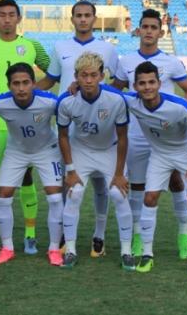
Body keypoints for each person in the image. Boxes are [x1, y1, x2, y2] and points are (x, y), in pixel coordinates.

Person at [112, 9, 187, 260]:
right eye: (145, 27)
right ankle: (138, 235)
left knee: (176, 182)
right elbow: (114, 92)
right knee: (138, 186)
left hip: (167, 138)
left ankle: (183, 235)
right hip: (137, 135)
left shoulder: (171, 62)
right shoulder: (126, 61)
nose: (149, 31)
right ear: (138, 30)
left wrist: (179, 115)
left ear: (161, 32)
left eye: (153, 27)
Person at [37, 0, 119, 258]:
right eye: (79, 15)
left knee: (100, 184)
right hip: (67, 126)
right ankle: (64, 233)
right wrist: (25, 91)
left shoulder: (107, 48)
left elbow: (118, 83)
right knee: (68, 182)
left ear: (94, 18)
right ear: (72, 19)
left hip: (99, 126)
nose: (83, 19)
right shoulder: (60, 47)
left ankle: (99, 236)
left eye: (87, 15)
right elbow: (50, 80)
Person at [0, 0, 50, 255]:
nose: (6, 19)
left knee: (26, 179)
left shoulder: (32, 46)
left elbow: (53, 73)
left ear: (18, 18)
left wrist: (35, 94)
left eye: (11, 14)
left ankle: (30, 235)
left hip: (24, 126)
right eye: (1, 15)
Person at [126, 61, 187, 277]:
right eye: (142, 83)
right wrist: (76, 85)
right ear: (135, 86)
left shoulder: (179, 106)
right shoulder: (132, 102)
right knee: (150, 198)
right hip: (160, 155)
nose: (147, 87)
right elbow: (105, 91)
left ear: (159, 84)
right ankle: (147, 254)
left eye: (151, 82)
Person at [56, 52, 134, 270]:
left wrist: (119, 174)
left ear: (101, 76)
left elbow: (123, 137)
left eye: (93, 75)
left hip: (109, 150)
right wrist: (70, 170)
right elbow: (63, 136)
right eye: (84, 75)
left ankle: (126, 251)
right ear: (76, 77)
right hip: (81, 150)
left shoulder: (116, 99)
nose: (88, 80)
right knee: (75, 193)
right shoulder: (67, 101)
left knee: (118, 194)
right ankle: (70, 250)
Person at [0, 63, 64, 266]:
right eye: (16, 84)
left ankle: (54, 249)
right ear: (9, 86)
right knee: (3, 196)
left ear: (33, 83)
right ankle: (7, 248)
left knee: (55, 198)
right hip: (17, 152)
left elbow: (71, 109)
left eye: (25, 83)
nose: (21, 88)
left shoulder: (49, 102)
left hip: (47, 150)